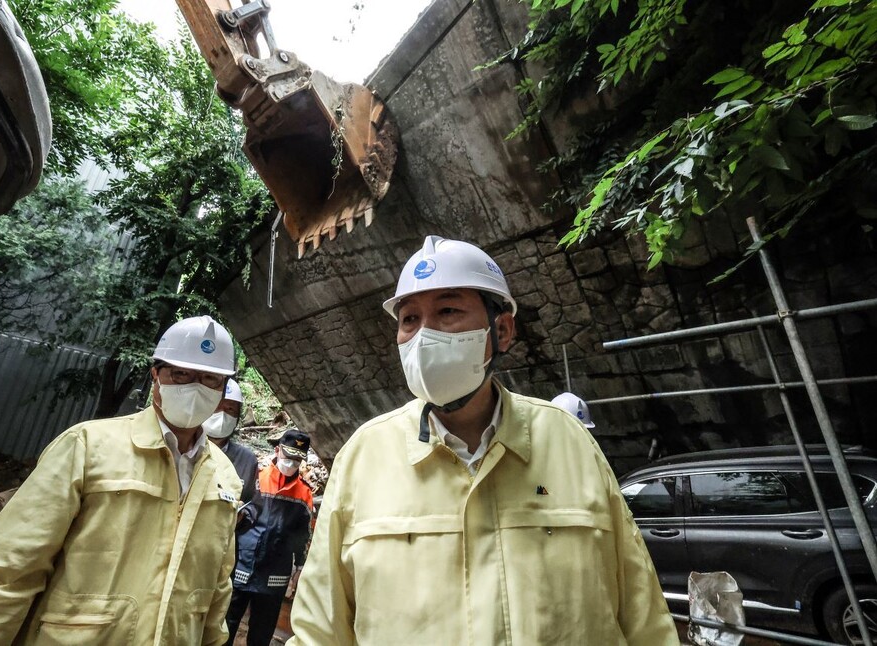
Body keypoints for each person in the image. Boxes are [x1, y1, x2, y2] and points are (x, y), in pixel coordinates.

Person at [288, 236, 678, 645]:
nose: (423, 336)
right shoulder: (364, 457)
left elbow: (642, 614)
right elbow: (319, 631)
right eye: (409, 320)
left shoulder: (569, 443)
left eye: (448, 310)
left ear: (502, 330)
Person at [0, 315, 243, 646]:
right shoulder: (87, 446)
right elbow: (7, 572)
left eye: (210, 379)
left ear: (222, 391)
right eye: (181, 374)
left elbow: (216, 593)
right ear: (156, 376)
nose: (194, 388)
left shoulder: (224, 477)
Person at [227, 429, 314, 646]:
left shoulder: (304, 494)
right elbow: (235, 519)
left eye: (297, 459)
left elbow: (303, 537)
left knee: (261, 633)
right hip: (241, 567)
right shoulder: (256, 478)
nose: (291, 463)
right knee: (225, 626)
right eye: (288, 456)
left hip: (274, 577)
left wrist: (299, 571)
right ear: (277, 450)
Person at [205, 378, 259, 505]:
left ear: (237, 416)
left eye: (230, 409)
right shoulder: (185, 448)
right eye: (216, 407)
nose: (222, 414)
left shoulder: (247, 460)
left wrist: (244, 514)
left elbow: (254, 504)